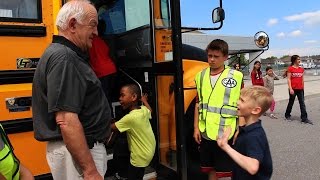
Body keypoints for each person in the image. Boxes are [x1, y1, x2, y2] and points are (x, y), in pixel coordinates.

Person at [32, 1, 112, 179]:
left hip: (76, 154)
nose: (96, 33)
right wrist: (90, 171)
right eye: (93, 25)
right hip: (77, 156)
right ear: (73, 24)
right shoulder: (65, 58)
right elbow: (66, 120)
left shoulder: (64, 55)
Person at [193, 39, 244, 180]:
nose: (212, 59)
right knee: (211, 170)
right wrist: (196, 128)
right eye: (209, 56)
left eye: (216, 56)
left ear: (225, 57)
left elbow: (242, 104)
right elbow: (198, 104)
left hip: (226, 134)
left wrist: (240, 127)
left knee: (227, 172)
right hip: (206, 133)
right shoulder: (200, 76)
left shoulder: (236, 76)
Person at [217, 86, 273, 180]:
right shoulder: (248, 130)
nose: (237, 102)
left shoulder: (254, 136)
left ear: (255, 110)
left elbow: (252, 167)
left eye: (242, 100)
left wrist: (225, 147)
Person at [111, 84, 156, 180]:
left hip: (139, 157)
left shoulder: (130, 118)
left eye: (122, 95)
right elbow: (150, 111)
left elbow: (112, 128)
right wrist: (144, 101)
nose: (120, 99)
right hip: (148, 151)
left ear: (134, 97)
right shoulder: (143, 110)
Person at [89, 19, 117, 108]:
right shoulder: (100, 40)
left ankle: (108, 119)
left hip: (101, 72)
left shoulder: (89, 40)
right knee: (108, 96)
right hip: (112, 69)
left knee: (103, 98)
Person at [284, 55, 313, 124]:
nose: (299, 61)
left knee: (302, 103)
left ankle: (304, 118)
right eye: (298, 59)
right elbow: (288, 79)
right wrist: (290, 89)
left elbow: (302, 79)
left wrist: (303, 87)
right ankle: (287, 115)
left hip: (300, 89)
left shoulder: (301, 69)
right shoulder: (290, 69)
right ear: (294, 60)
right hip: (293, 89)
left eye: (299, 59)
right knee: (291, 102)